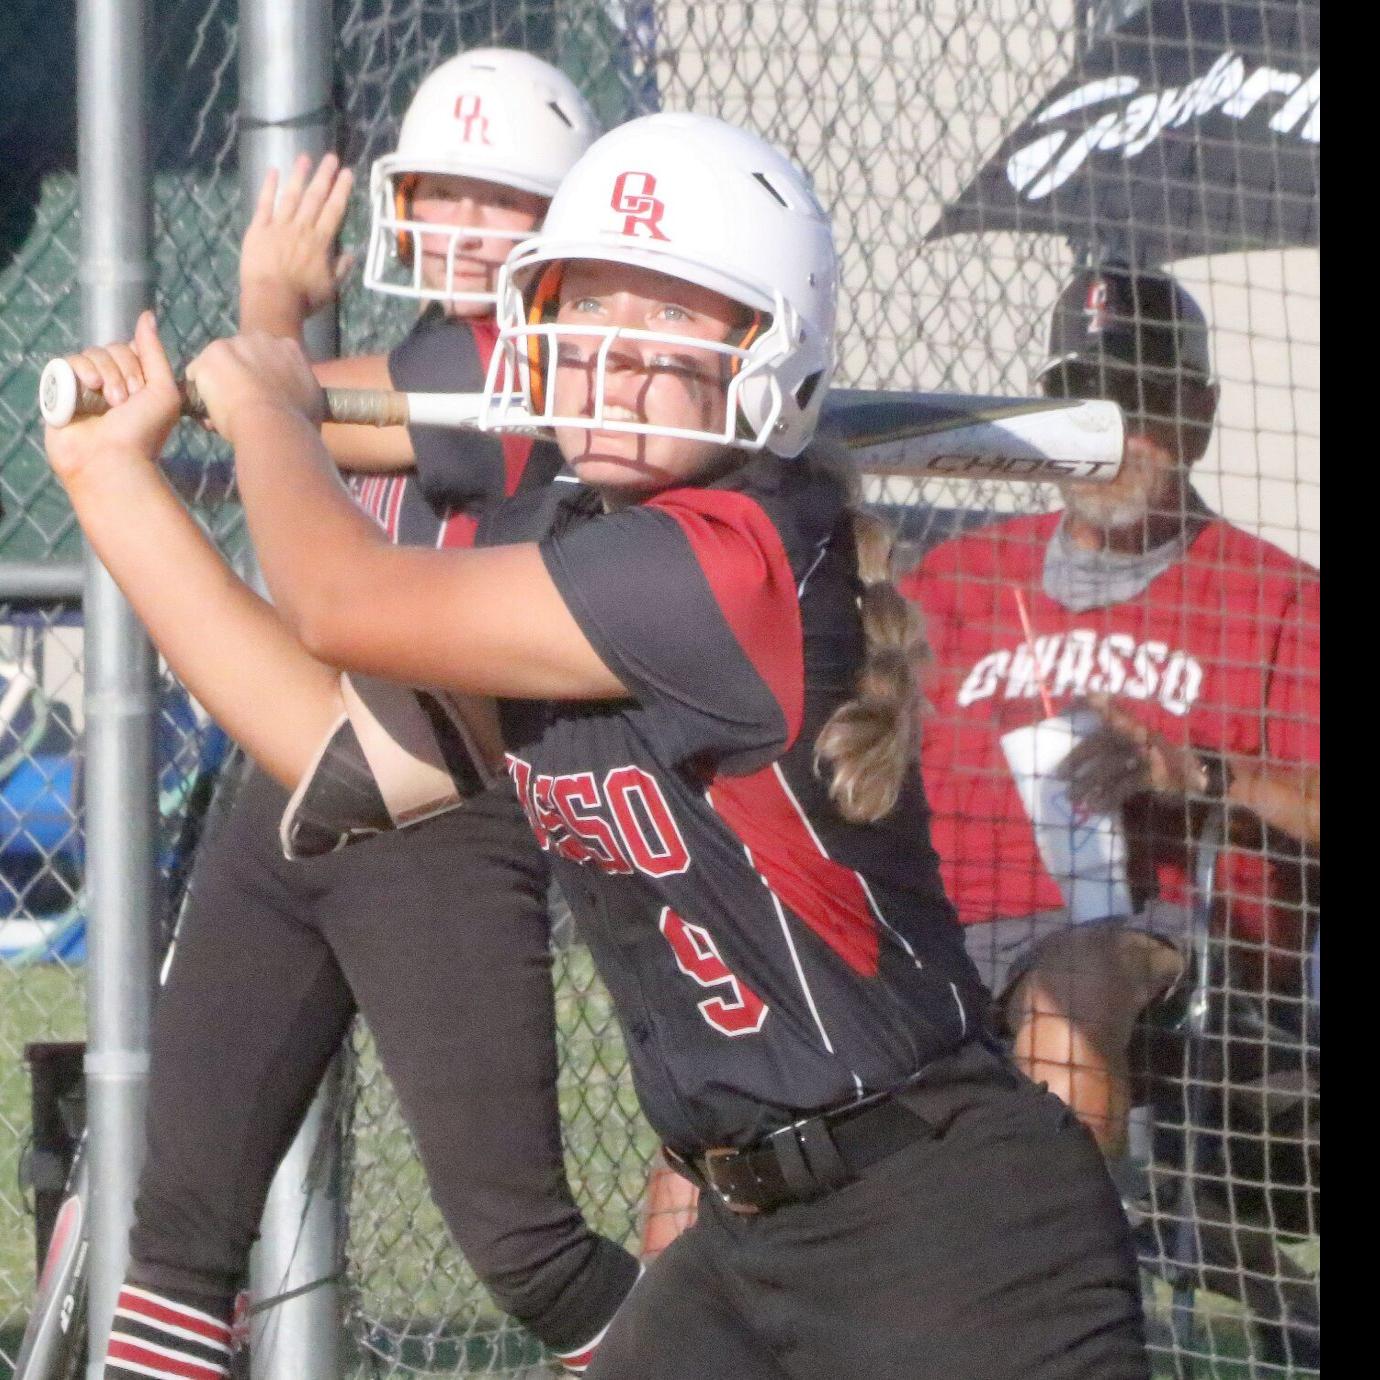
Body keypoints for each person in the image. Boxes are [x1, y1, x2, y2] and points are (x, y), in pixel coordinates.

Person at [48, 112, 1150, 1379]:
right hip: (745, 1246)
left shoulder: (730, 561)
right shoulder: (564, 541)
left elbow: (339, 599)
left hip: (950, 1237)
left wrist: (270, 405)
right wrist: (109, 484)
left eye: (667, 330)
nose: (610, 368)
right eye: (585, 319)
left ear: (770, 353)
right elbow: (328, 741)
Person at [59, 50, 641, 1380]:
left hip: (441, 809)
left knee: (522, 1245)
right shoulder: (427, 355)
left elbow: (319, 417)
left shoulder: (537, 378)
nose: (462, 229)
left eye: (502, 204)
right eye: (441, 196)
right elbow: (297, 462)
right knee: (183, 1227)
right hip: (293, 785)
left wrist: (255, 345)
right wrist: (264, 338)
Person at [900, 264, 1319, 1366]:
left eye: (1145, 396)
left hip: (1183, 967)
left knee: (1072, 985)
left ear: (1204, 415)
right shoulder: (951, 583)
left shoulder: (1278, 596)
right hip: (941, 950)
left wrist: (1199, 773)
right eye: (1087, 400)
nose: (1118, 430)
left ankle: (1051, 1334)